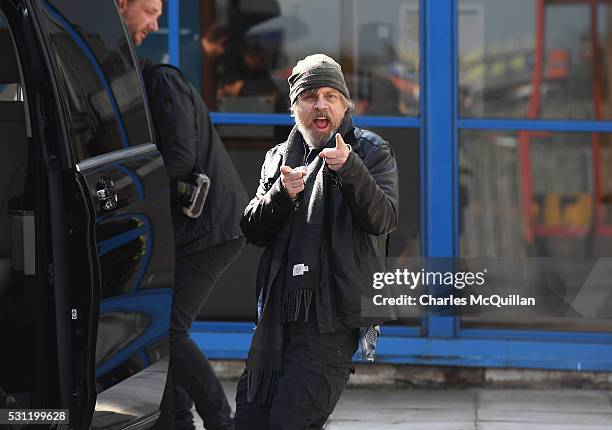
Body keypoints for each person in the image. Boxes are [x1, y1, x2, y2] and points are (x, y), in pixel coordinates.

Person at [235, 54, 399, 430]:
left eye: (330, 95)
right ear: (295, 108)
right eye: (310, 96)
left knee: (290, 422)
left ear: (345, 104)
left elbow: (383, 219)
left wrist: (349, 168)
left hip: (330, 322)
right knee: (249, 420)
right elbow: (252, 229)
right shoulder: (278, 158)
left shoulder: (370, 152)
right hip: (275, 320)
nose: (320, 105)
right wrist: (280, 194)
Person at [118, 1, 248, 429]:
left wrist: (120, 189)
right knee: (160, 332)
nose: (156, 24)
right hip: (193, 228)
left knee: (170, 330)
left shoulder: (162, 79)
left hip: (210, 228)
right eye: (151, 12)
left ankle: (221, 420)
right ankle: (176, 420)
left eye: (157, 12)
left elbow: (178, 159)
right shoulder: (143, 83)